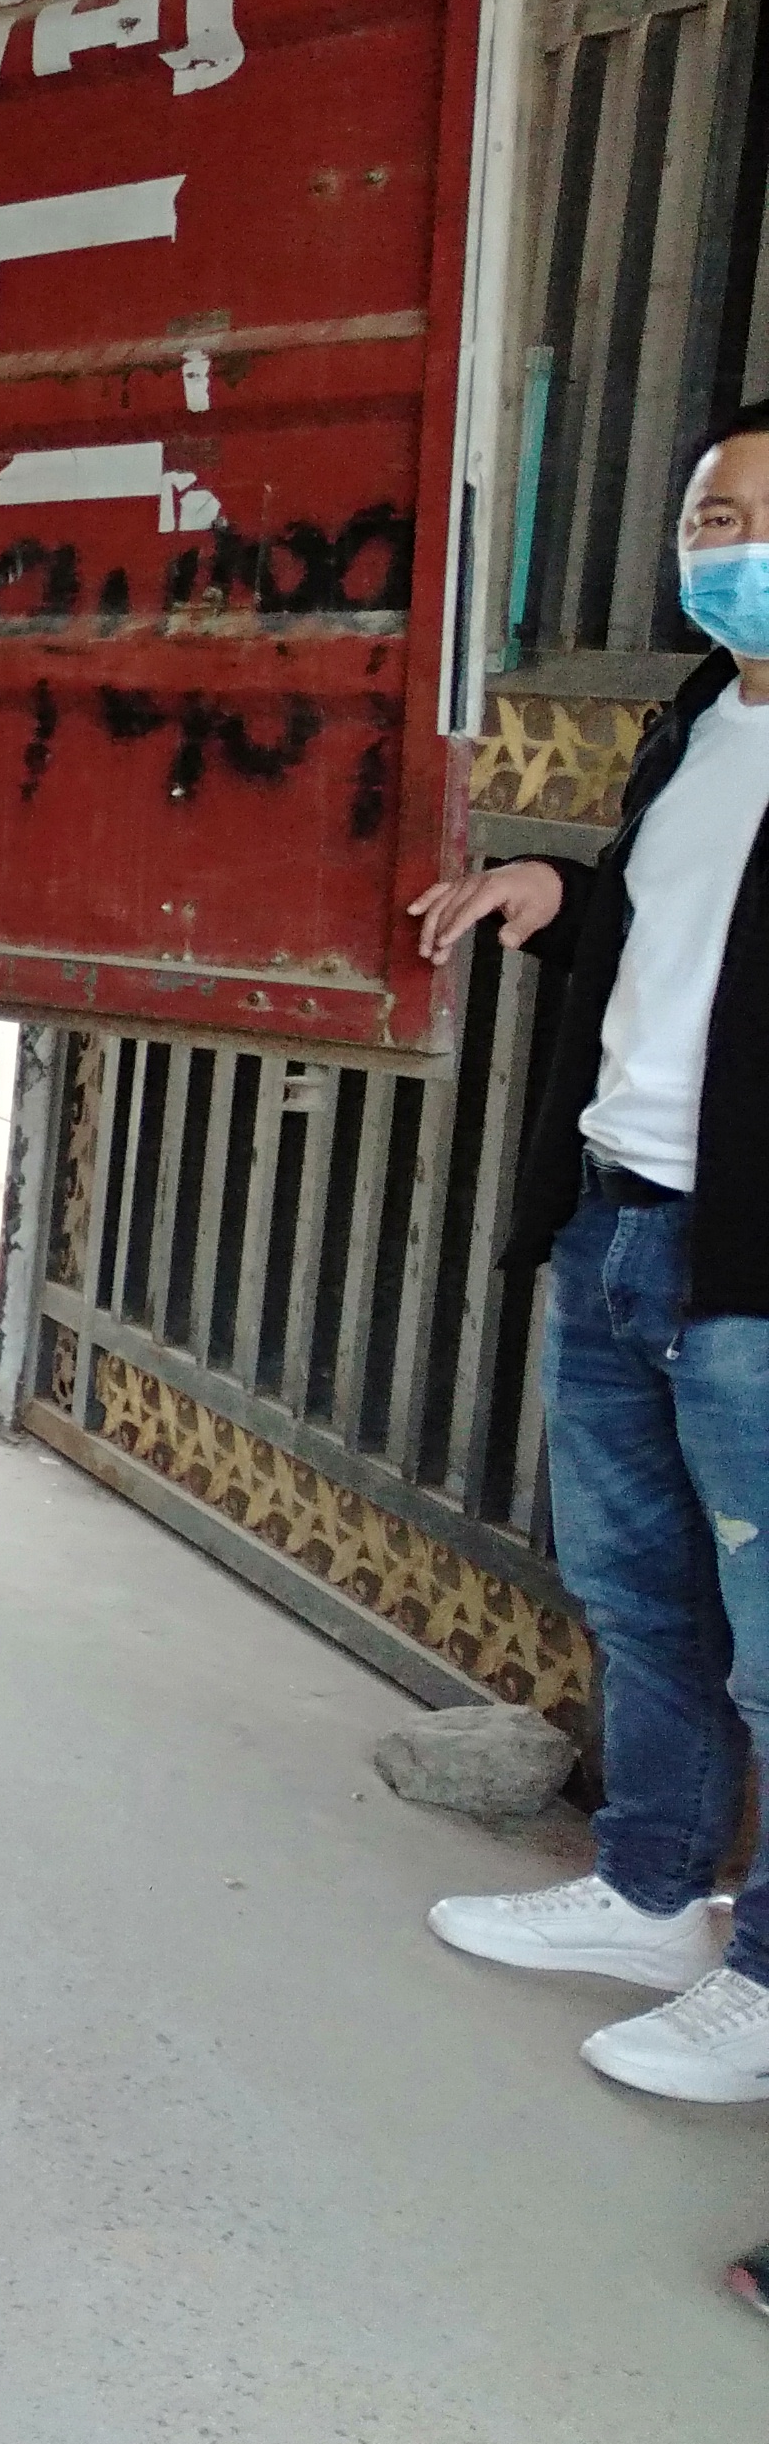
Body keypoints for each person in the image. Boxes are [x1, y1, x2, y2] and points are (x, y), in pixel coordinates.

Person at [412, 402, 769, 2109]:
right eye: (713, 517)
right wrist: (560, 897)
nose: (731, 545)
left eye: (758, 516)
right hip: (625, 1210)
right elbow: (674, 929)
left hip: (751, 1263)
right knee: (641, 1597)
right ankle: (650, 1892)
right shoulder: (704, 712)